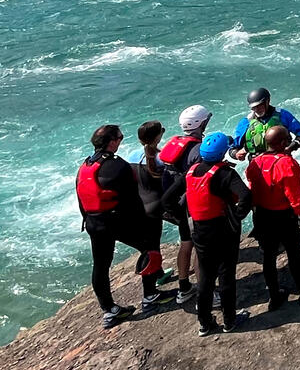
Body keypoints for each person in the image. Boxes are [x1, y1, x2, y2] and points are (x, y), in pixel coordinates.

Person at [75, 124, 168, 329]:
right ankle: (150, 297)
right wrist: (141, 221)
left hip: (93, 222)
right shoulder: (118, 165)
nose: (121, 140)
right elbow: (132, 200)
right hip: (117, 221)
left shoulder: (85, 165)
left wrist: (89, 220)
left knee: (101, 265)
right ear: (112, 142)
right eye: (120, 137)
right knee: (150, 248)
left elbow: (81, 197)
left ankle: (109, 311)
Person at [164, 133, 252, 337]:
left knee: (206, 276)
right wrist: (237, 216)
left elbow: (167, 199)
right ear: (222, 153)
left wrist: (182, 216)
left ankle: (205, 323)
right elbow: (246, 196)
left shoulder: (190, 171)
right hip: (223, 229)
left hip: (199, 230)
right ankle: (230, 320)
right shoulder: (225, 173)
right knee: (226, 274)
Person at [247, 125, 300, 309]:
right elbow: (294, 194)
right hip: (283, 216)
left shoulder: (255, 162)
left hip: (261, 215)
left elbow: (252, 186)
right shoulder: (287, 163)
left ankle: (274, 295)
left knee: (268, 257)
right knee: (294, 256)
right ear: (284, 142)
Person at [157, 105, 211, 302]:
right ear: (201, 123)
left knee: (185, 244)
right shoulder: (198, 150)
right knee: (199, 250)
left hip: (177, 205)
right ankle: (207, 294)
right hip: (192, 206)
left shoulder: (175, 144)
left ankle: (184, 287)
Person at [132, 120, 177, 290]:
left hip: (141, 206)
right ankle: (151, 290)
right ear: (157, 136)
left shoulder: (133, 155)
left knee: (152, 244)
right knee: (187, 228)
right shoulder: (160, 157)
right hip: (159, 205)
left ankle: (158, 273)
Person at [230, 87, 300, 160]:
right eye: (254, 107)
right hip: (257, 165)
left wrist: (290, 148)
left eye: (260, 105)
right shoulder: (246, 122)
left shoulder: (283, 115)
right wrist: (236, 154)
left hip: (281, 161)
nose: (257, 109)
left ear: (268, 101)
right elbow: (232, 148)